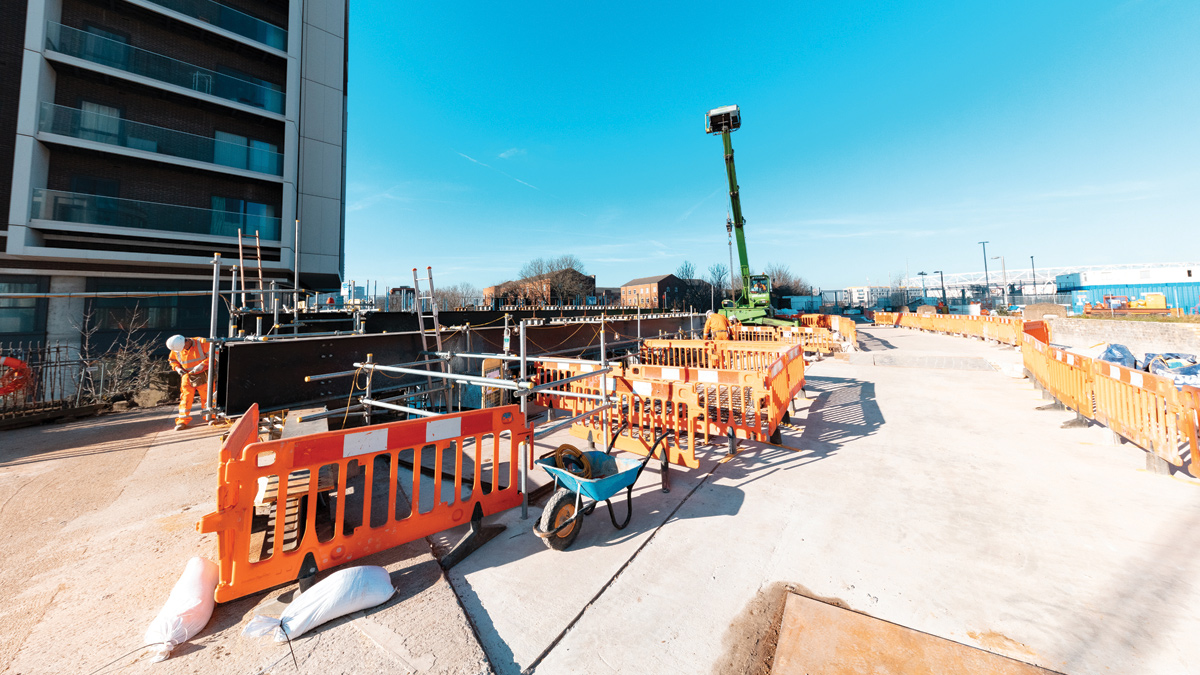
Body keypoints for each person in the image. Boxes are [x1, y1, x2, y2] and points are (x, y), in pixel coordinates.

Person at [167, 334, 210, 430]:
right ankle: (182, 421)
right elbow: (172, 360)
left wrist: (202, 365)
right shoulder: (177, 347)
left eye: (183, 347)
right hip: (187, 374)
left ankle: (210, 417)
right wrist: (177, 368)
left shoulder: (202, 342)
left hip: (204, 373)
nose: (182, 350)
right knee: (185, 398)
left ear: (187, 341)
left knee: (207, 397)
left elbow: (214, 355)